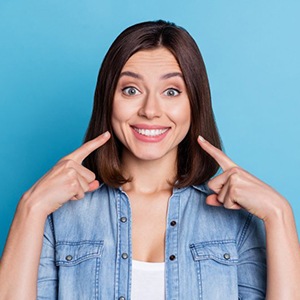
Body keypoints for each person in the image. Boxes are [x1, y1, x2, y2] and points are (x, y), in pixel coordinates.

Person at [0, 20, 299, 300]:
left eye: (171, 91)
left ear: (194, 104)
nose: (150, 110)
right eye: (131, 90)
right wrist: (31, 207)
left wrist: (279, 215)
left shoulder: (238, 221)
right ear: (108, 101)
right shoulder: (59, 217)